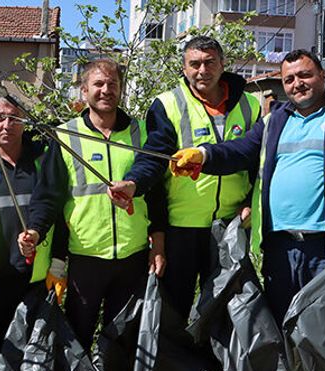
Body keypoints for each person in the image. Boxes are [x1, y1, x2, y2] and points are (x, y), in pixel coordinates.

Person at [169, 49, 325, 325]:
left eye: (305, 75)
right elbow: (240, 150)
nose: (297, 83)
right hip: (279, 248)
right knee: (282, 325)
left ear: (322, 76)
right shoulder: (274, 120)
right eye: (289, 79)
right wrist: (203, 155)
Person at [108, 36, 261, 321]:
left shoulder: (251, 105)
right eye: (194, 64)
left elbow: (258, 161)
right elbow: (153, 157)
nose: (202, 70)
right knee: (175, 310)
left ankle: (217, 366)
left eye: (209, 62)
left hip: (231, 224)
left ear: (222, 64)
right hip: (182, 228)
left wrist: (253, 202)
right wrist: (134, 184)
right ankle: (177, 366)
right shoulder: (167, 104)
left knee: (227, 309)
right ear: (183, 67)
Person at [18, 59, 166, 349]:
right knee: (78, 337)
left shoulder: (142, 134)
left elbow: (158, 195)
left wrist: (158, 245)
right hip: (85, 258)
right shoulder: (64, 136)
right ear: (84, 91)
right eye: (98, 84)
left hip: (132, 256)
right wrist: (35, 231)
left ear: (121, 89)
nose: (106, 90)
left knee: (123, 339)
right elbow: (48, 196)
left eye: (113, 84)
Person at [0, 97, 67, 340]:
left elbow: (60, 212)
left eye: (14, 118)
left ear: (25, 122)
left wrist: (59, 265)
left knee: (34, 353)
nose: (7, 124)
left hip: (36, 277)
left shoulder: (44, 159)